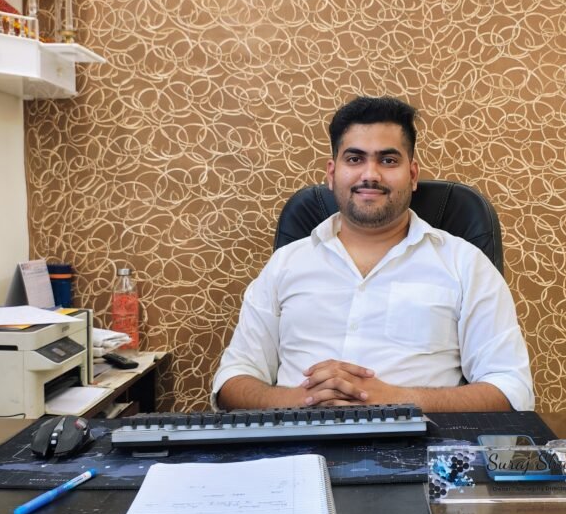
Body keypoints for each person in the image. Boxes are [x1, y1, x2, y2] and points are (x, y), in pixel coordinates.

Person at [212, 96, 533, 412]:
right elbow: (232, 380)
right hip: (297, 440)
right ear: (331, 173)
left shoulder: (464, 264)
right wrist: (298, 401)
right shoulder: (286, 264)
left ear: (413, 174)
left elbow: (511, 389)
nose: (370, 174)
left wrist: (399, 400)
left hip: (419, 442)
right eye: (354, 159)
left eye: (388, 160)